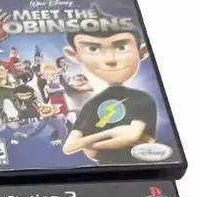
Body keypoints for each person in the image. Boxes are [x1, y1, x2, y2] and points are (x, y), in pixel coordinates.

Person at [62, 21, 157, 162]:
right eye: (93, 49)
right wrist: (112, 133)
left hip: (141, 166)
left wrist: (88, 143)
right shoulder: (91, 105)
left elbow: (130, 137)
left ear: (142, 52)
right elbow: (69, 147)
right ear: (76, 56)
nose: (110, 59)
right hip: (104, 167)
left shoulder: (142, 99)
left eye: (121, 47)